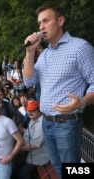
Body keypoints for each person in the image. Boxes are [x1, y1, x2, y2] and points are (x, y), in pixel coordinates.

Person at [22, 3, 94, 177]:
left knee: (72, 170)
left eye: (46, 21)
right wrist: (30, 53)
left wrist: (82, 101)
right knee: (57, 166)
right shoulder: (45, 54)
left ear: (60, 20)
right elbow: (28, 81)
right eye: (39, 23)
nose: (41, 27)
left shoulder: (80, 47)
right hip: (46, 122)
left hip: (67, 123)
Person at [15, 100, 49, 179]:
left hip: (38, 156)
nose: (30, 113)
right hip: (31, 154)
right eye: (28, 111)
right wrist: (23, 130)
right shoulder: (34, 118)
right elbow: (31, 133)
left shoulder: (41, 124)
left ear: (39, 110)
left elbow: (33, 145)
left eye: (33, 111)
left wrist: (17, 149)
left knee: (20, 174)